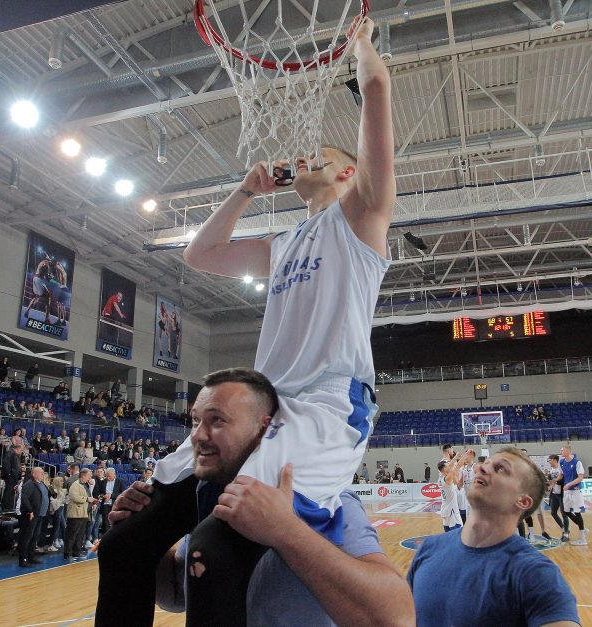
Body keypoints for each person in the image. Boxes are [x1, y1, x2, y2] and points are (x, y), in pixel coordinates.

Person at [98, 15, 395, 626]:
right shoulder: (285, 240)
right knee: (126, 542)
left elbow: (379, 92)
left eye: (323, 153)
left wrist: (357, 39)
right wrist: (243, 192)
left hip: (325, 404)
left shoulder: (360, 220)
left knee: (209, 552)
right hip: (264, 403)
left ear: (347, 172)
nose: (302, 156)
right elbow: (199, 255)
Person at [107, 369, 412, 627]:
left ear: (262, 429)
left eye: (217, 421)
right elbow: (175, 593)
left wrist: (287, 531)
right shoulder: (211, 502)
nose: (198, 436)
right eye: (196, 421)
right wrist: (145, 540)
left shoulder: (325, 499)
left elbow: (396, 618)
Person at [408, 447, 580, 626]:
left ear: (522, 501)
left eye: (500, 469)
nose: (482, 468)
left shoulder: (537, 574)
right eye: (486, 464)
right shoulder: (428, 550)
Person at [18, 467, 49, 568]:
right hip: (31, 515)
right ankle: (23, 559)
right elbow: (25, 499)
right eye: (41, 473)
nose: (42, 475)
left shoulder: (41, 483)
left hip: (40, 514)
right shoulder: (29, 484)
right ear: (34, 474)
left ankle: (31, 556)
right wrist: (30, 510)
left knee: (35, 536)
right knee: (27, 537)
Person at [560, 445, 588, 545]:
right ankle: (583, 528)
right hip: (567, 491)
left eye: (562, 450)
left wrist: (568, 484)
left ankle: (583, 539)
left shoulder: (577, 462)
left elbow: (580, 478)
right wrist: (554, 481)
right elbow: (562, 475)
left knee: (577, 512)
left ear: (568, 451)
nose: (561, 452)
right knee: (566, 511)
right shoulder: (561, 462)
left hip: (576, 490)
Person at [65, 467, 93, 562]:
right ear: (84, 476)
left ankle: (77, 552)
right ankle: (67, 554)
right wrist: (87, 499)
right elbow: (74, 497)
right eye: (89, 476)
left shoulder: (84, 485)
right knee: (72, 534)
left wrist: (91, 502)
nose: (90, 478)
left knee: (80, 534)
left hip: (83, 513)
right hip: (75, 514)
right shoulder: (75, 485)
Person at [547, 454, 569, 542]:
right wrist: (549, 487)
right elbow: (550, 481)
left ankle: (566, 533)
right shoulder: (551, 470)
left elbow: (562, 479)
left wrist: (556, 482)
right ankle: (564, 528)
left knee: (564, 514)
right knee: (553, 513)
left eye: (549, 460)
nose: (549, 462)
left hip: (562, 494)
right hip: (554, 494)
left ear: (554, 460)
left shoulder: (561, 468)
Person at [438, 457, 463, 533]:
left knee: (448, 534)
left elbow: (450, 465)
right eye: (447, 466)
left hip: (445, 510)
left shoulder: (440, 477)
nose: (449, 466)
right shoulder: (447, 479)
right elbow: (457, 466)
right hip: (451, 511)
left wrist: (456, 456)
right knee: (458, 533)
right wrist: (466, 455)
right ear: (444, 469)